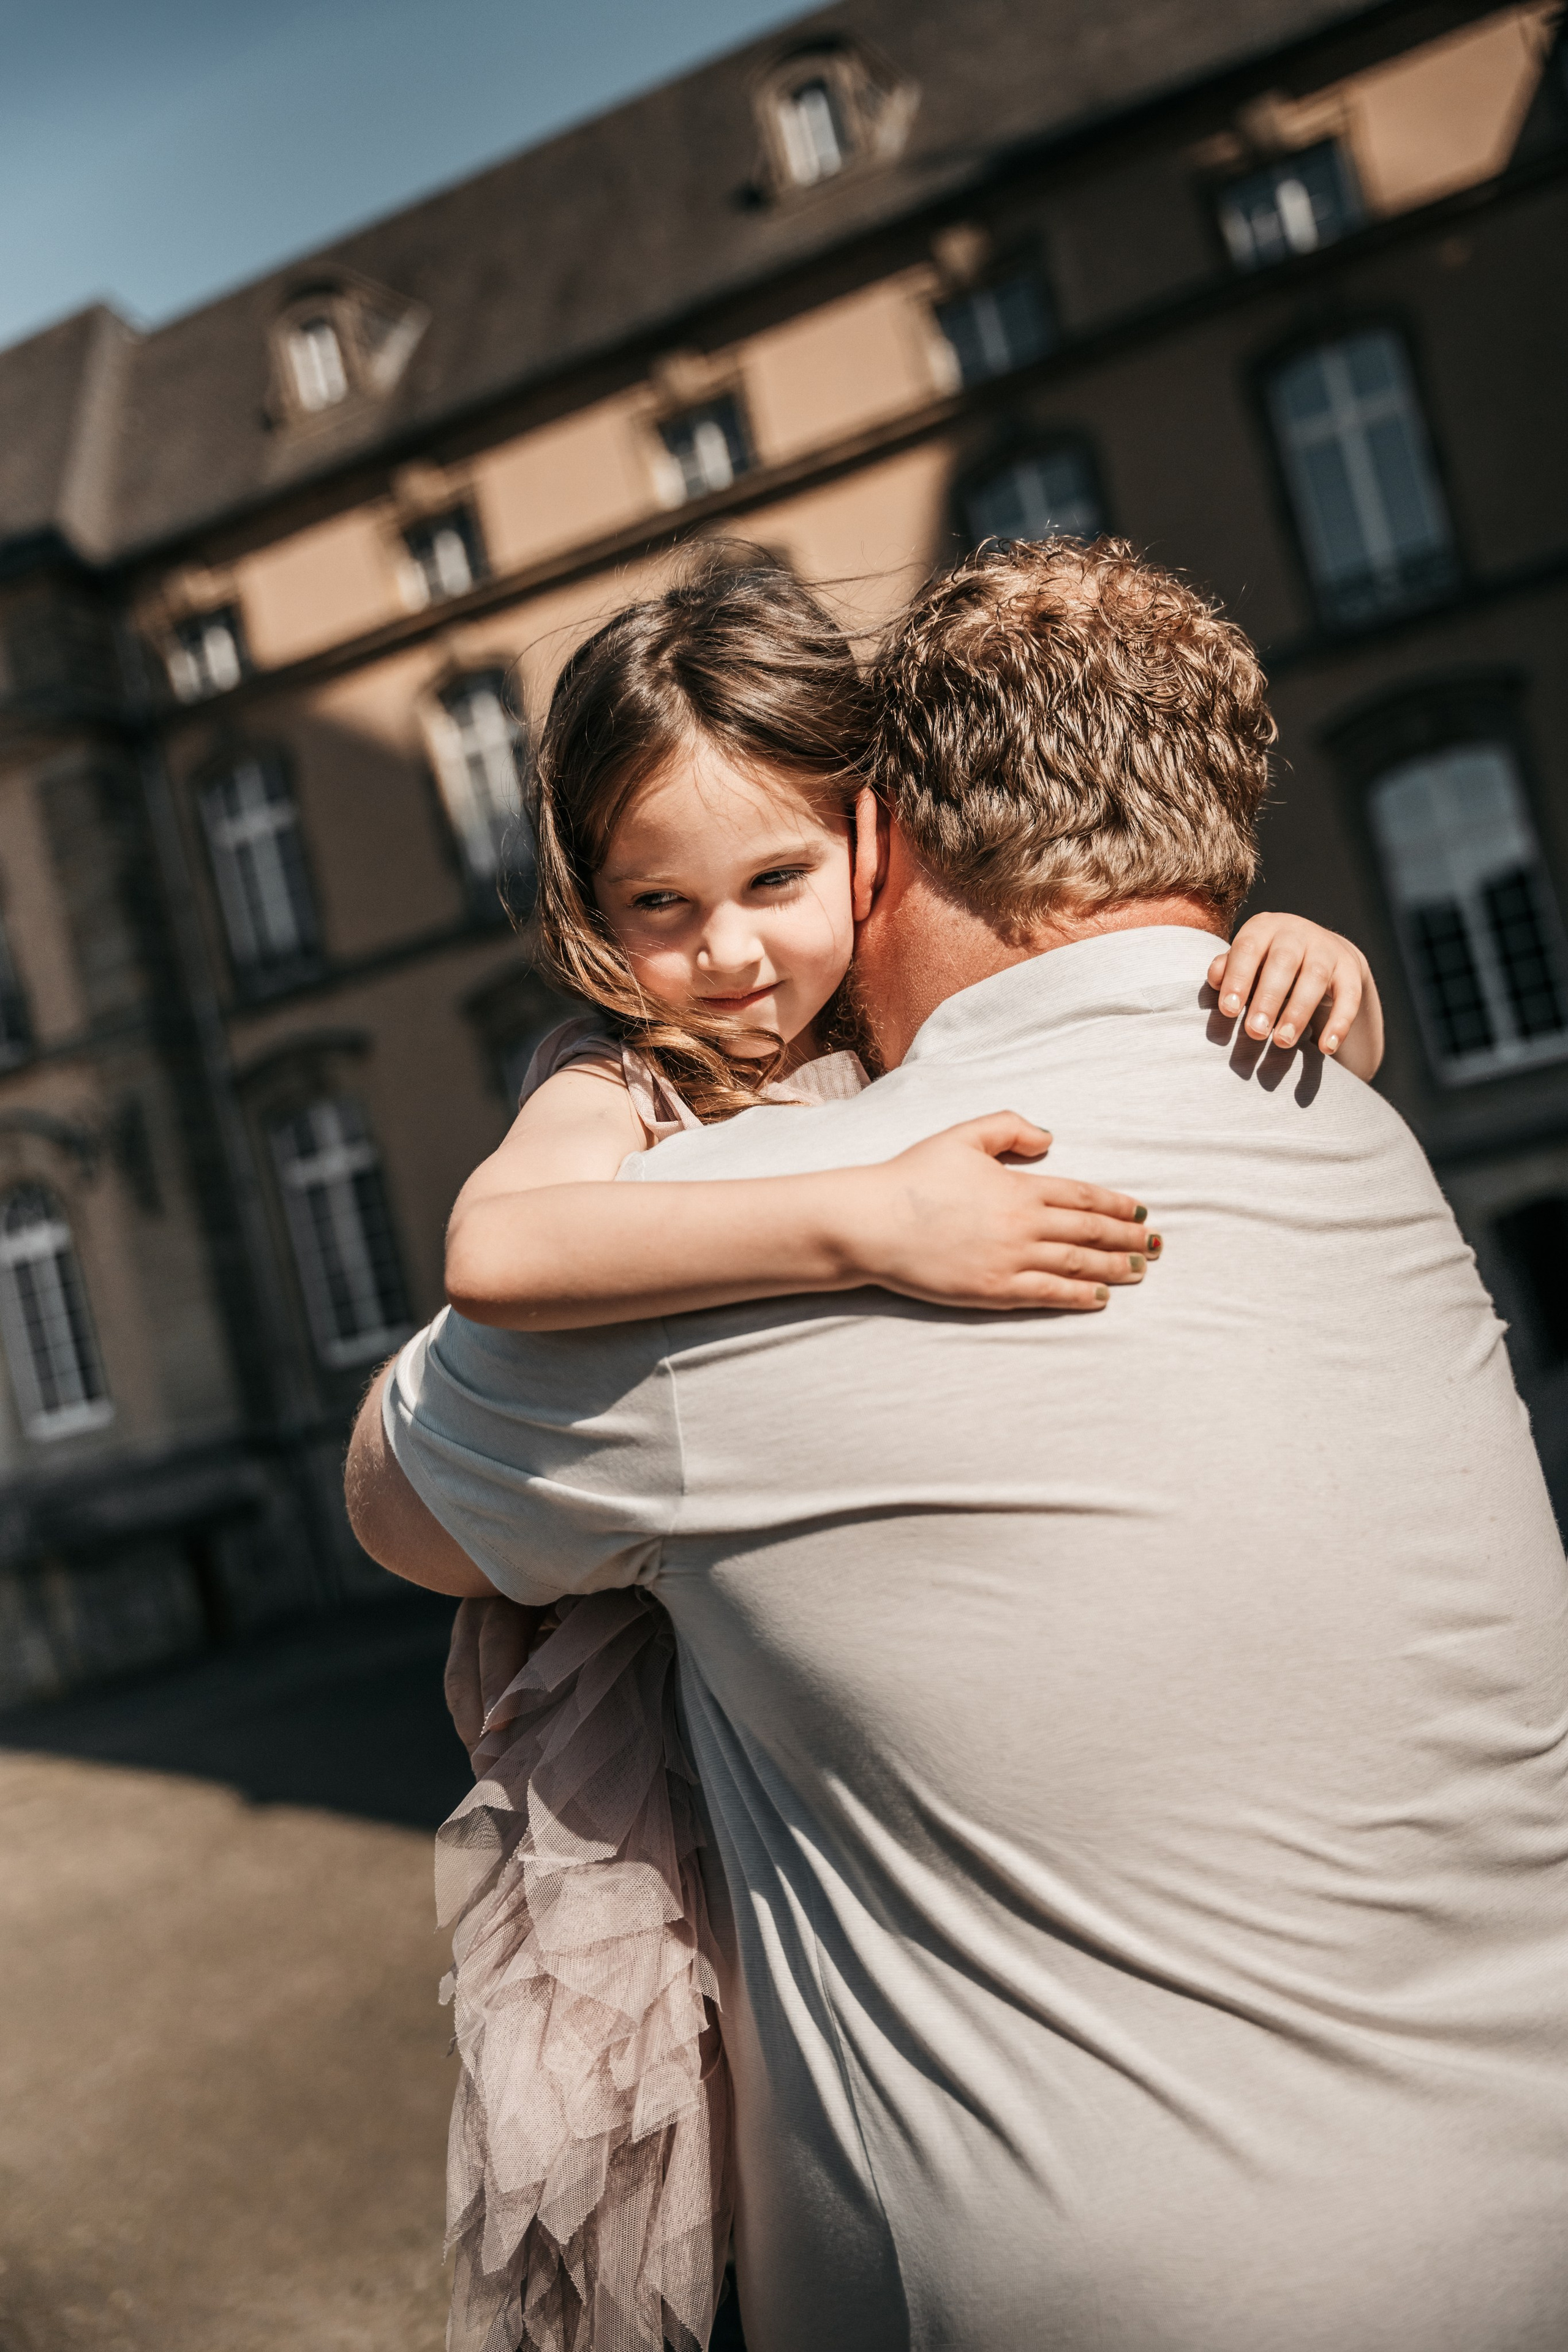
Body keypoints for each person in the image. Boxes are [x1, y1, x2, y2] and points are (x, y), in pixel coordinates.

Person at [348, 539, 1568, 2352]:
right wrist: (865, 1222)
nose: (732, 955)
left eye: (780, 877)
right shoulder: (638, 1102)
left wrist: (1315, 954)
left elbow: (390, 1480)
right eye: (657, 910)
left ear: (878, 841)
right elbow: (500, 1253)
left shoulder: (972, 1050)